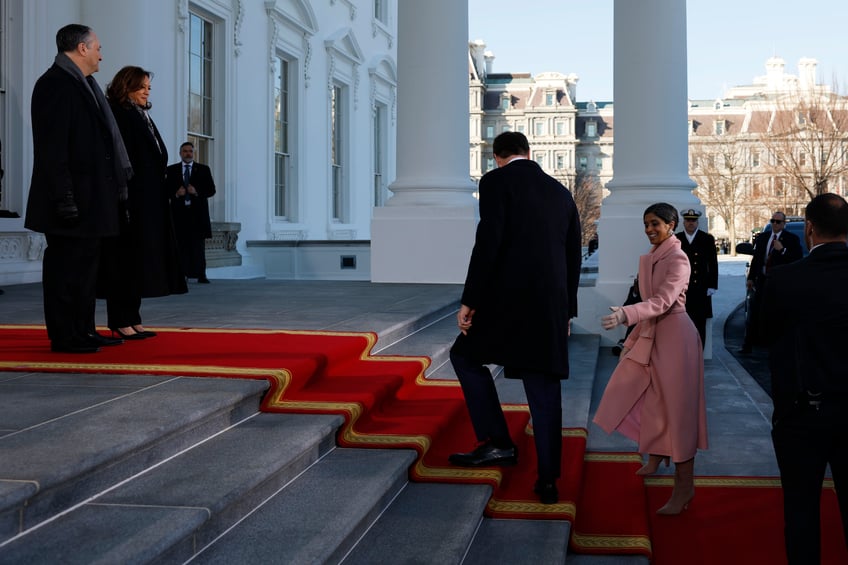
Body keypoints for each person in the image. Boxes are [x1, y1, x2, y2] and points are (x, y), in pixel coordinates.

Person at [446, 131, 582, 505]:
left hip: (507, 304)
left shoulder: (495, 181)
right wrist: (567, 311)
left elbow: (489, 241)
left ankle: (498, 442)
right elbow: (573, 256)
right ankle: (549, 479)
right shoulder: (560, 192)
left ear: (497, 157)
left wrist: (470, 300)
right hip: (549, 308)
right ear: (529, 152)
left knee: (464, 356)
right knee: (544, 385)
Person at [594, 203, 708, 515]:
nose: (649, 229)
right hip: (654, 333)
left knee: (678, 412)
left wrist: (625, 315)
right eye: (646, 224)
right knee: (648, 397)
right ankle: (656, 454)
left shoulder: (678, 258)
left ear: (672, 225)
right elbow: (649, 301)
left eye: (655, 223)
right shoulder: (655, 255)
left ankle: (684, 487)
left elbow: (662, 301)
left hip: (676, 340)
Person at [24, 24, 131, 353]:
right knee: (65, 271)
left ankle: (83, 330)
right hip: (70, 200)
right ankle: (65, 335)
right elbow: (52, 149)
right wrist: (64, 198)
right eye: (97, 46)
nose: (101, 53)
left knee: (85, 271)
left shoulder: (86, 85)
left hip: (92, 198)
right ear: (81, 49)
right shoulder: (55, 84)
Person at [760, 193, 848, 564]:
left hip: (802, 412)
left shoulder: (784, 280)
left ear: (809, 229)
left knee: (801, 510)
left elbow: (765, 336)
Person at [99, 66, 187, 340]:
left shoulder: (141, 114)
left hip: (150, 199)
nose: (147, 91)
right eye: (141, 87)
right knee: (124, 259)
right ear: (126, 87)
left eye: (148, 86)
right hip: (131, 199)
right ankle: (120, 319)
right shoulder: (120, 114)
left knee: (139, 260)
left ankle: (133, 317)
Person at [740, 211, 803, 353]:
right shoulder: (763, 238)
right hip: (762, 280)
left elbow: (797, 258)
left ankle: (778, 345)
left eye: (778, 222)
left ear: (784, 224)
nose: (775, 224)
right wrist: (751, 278)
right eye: (773, 221)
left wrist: (783, 250)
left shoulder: (791, 239)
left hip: (781, 283)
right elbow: (756, 259)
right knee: (755, 312)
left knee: (778, 315)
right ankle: (748, 345)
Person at [166, 142, 216, 284]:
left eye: (190, 151)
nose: (188, 153)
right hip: (179, 215)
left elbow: (211, 190)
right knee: (180, 246)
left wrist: (197, 192)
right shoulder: (171, 170)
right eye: (185, 151)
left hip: (198, 215)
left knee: (198, 246)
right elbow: (164, 190)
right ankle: (182, 274)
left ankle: (201, 274)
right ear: (180, 153)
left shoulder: (203, 169)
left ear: (193, 153)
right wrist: (176, 193)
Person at [675, 208, 718, 349]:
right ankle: (683, 355)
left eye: (693, 220)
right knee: (681, 323)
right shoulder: (676, 239)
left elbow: (712, 263)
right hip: (682, 289)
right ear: (683, 222)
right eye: (688, 220)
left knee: (700, 324)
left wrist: (712, 285)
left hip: (701, 289)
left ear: (697, 221)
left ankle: (698, 354)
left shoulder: (706, 239)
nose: (691, 223)